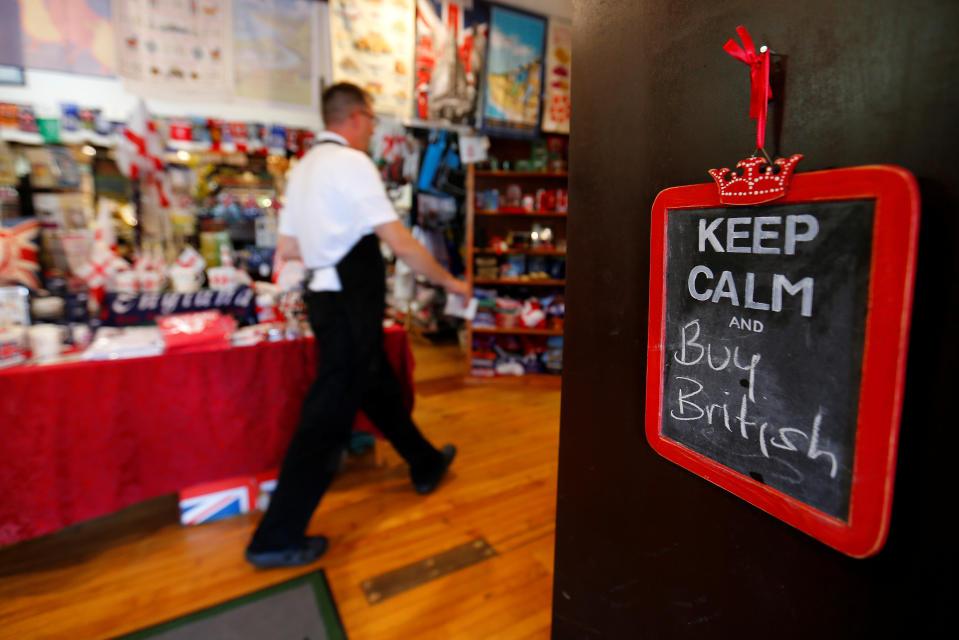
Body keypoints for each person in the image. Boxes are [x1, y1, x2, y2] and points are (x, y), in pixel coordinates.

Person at [245, 83, 470, 569]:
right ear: (356, 117)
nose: (372, 130)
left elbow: (287, 248)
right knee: (326, 417)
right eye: (370, 121)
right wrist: (451, 282)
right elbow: (401, 242)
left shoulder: (304, 168)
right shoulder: (352, 164)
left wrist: (326, 248)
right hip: (349, 304)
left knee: (374, 382)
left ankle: (425, 462)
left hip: (326, 301)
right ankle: (275, 537)